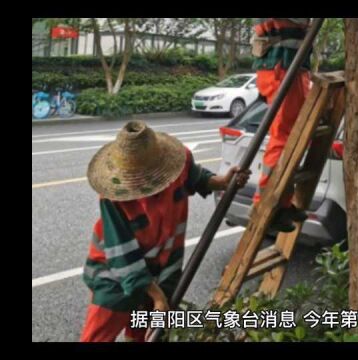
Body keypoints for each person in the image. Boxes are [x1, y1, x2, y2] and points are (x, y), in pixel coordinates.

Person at [80, 121, 250, 342]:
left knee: (148, 333)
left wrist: (223, 182)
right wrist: (156, 296)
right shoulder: (114, 197)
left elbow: (197, 178)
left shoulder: (178, 164)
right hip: (114, 274)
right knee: (97, 336)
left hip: (162, 268)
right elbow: (122, 255)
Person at [251, 18, 312, 233]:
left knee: (297, 135)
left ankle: (283, 202)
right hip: (281, 68)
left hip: (292, 67)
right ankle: (267, 202)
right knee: (284, 136)